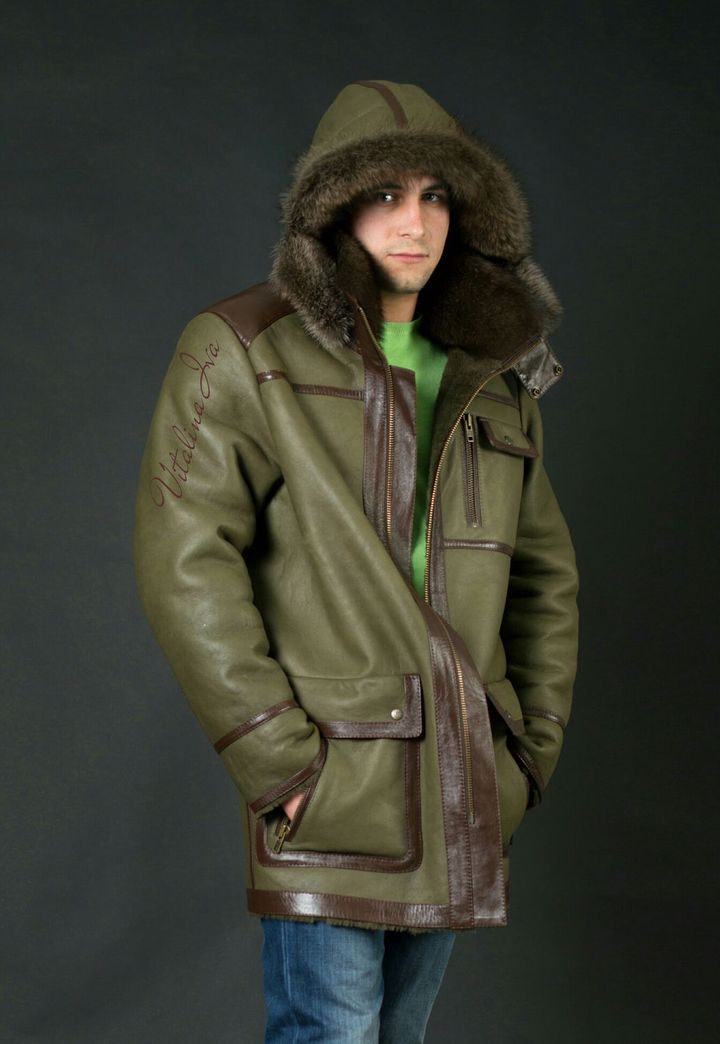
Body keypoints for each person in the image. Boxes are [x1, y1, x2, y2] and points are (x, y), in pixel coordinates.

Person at [134, 79, 579, 1043]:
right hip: (329, 786)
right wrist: (280, 762)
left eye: (436, 196)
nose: (414, 223)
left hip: (462, 786)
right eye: (384, 194)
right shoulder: (243, 348)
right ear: (334, 209)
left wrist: (526, 751)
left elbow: (546, 578)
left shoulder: (495, 375)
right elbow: (184, 559)